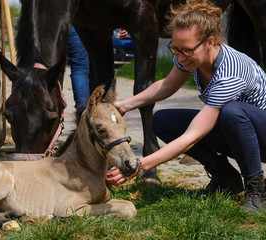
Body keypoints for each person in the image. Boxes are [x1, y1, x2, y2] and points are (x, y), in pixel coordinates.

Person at [106, 0, 266, 214]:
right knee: (162, 121)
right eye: (175, 49)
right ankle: (225, 178)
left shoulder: (230, 71)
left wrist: (139, 164)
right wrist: (124, 105)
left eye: (186, 50)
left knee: (232, 112)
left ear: (210, 42)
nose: (179, 57)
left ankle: (256, 190)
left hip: (261, 137)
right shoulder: (191, 56)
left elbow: (193, 135)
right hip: (240, 132)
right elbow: (166, 86)